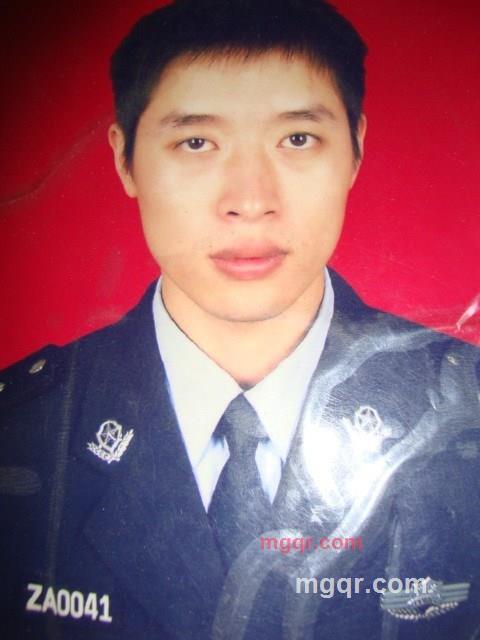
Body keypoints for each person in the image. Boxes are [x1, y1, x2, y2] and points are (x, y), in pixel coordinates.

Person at [0, 1, 479, 638]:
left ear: (356, 149)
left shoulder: (469, 417)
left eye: (297, 139)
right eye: (197, 142)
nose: (250, 202)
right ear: (125, 160)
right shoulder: (22, 432)